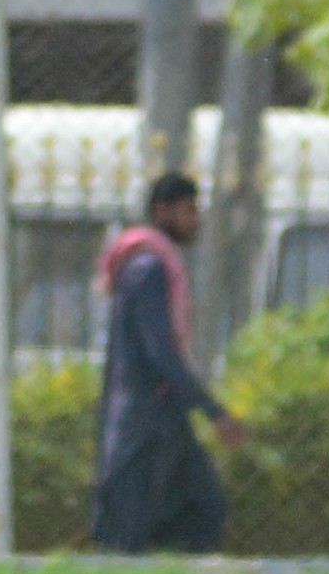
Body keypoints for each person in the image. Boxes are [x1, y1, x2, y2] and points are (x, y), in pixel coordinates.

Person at [90, 171, 245, 554]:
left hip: (161, 415)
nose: (196, 220)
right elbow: (160, 352)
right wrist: (213, 411)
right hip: (146, 421)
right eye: (188, 210)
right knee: (131, 533)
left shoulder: (152, 264)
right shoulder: (147, 268)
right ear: (162, 211)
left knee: (202, 511)